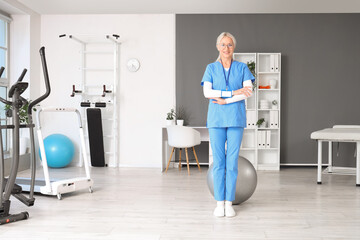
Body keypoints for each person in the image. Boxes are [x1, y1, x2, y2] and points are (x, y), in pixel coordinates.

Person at [201, 32, 255, 217]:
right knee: (218, 162)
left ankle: (229, 202)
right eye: (223, 45)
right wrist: (232, 93)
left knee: (231, 162)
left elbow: (248, 92)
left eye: (230, 45)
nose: (226, 48)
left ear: (234, 47)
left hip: (235, 119)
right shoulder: (211, 68)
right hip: (216, 120)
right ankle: (219, 202)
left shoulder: (242, 68)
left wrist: (226, 100)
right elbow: (207, 93)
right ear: (218, 47)